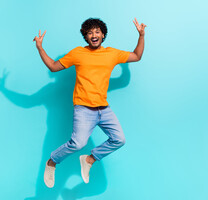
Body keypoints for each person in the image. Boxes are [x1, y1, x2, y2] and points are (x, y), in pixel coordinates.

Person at [33, 17, 146, 188]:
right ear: (85, 36)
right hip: (84, 109)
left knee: (119, 139)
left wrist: (141, 35)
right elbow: (54, 67)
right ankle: (52, 162)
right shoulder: (78, 53)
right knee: (78, 143)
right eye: (90, 32)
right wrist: (40, 47)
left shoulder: (112, 54)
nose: (94, 35)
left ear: (102, 35)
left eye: (97, 32)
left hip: (104, 109)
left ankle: (89, 159)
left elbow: (137, 56)